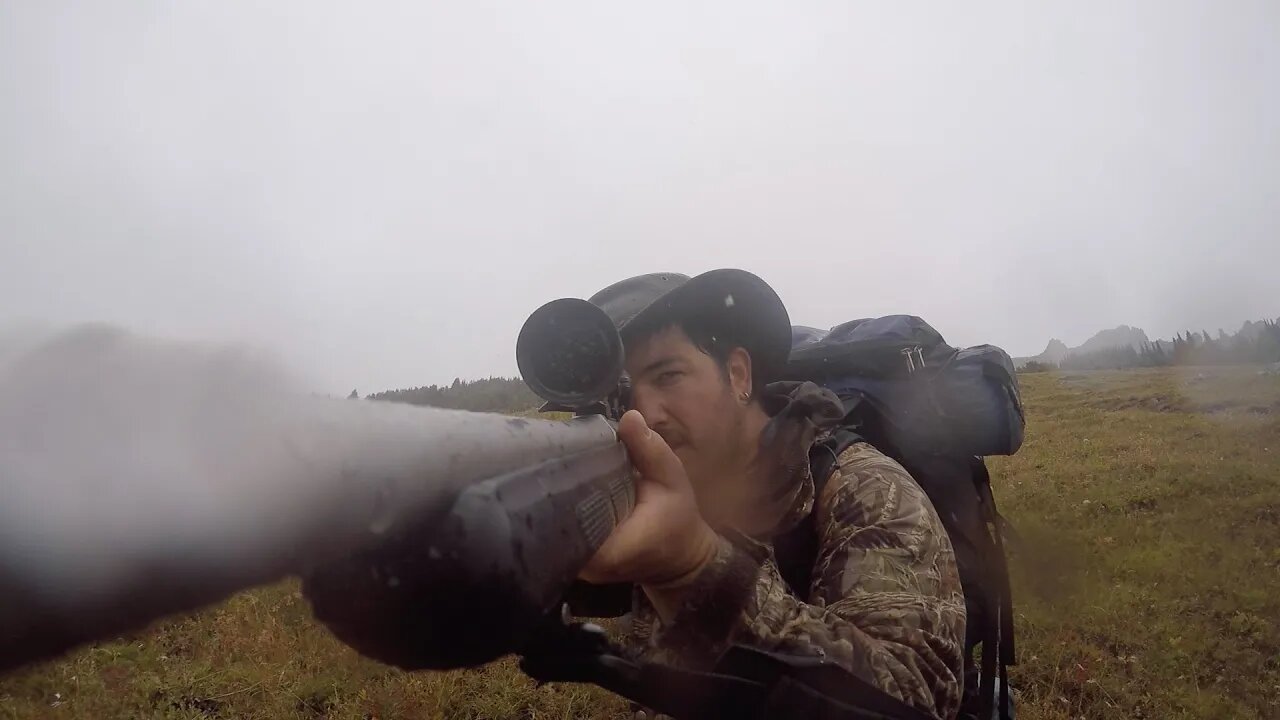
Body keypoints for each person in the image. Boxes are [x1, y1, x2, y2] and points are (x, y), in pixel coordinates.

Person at [569, 269, 967, 720]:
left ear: (738, 374)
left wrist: (696, 569)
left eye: (668, 376)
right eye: (619, 398)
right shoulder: (648, 485)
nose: (644, 415)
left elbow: (911, 695)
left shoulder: (865, 489)